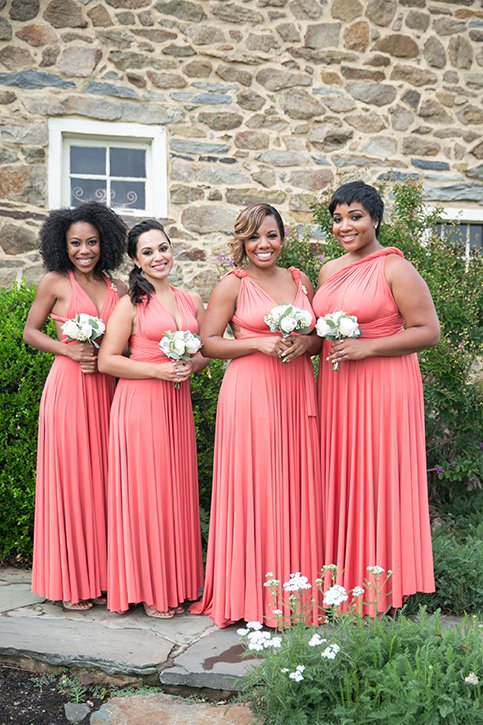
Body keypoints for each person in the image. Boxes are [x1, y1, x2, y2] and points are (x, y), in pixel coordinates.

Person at [190, 203, 324, 628]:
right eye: (253, 237)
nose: (263, 244)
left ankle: (296, 595)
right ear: (242, 242)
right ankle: (249, 595)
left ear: (282, 239)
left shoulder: (300, 280)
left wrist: (305, 344)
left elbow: (319, 338)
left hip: (296, 389)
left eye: (271, 235)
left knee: (296, 483)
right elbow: (209, 343)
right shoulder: (233, 283)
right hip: (250, 393)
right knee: (257, 484)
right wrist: (256, 343)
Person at [313, 181, 440, 616]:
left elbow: (428, 331)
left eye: (355, 216)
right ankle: (340, 582)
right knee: (342, 474)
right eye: (337, 219)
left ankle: (381, 588)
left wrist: (367, 347)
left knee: (377, 475)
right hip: (337, 387)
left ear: (376, 219)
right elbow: (320, 332)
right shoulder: (328, 271)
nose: (345, 226)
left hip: (384, 386)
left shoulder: (395, 268)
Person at [98, 220, 207, 618]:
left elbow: (205, 352)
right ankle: (149, 589)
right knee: (147, 495)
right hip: (140, 405)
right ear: (136, 260)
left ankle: (177, 584)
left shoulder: (191, 299)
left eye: (163, 248)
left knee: (175, 493)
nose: (159, 257)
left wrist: (189, 366)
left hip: (176, 404)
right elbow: (108, 360)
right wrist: (158, 370)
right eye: (148, 252)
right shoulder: (130, 304)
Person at [23, 202, 127, 611]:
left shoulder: (118, 288)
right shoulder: (55, 282)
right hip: (68, 390)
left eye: (92, 242)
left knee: (104, 483)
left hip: (107, 392)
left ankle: (101, 577)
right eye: (75, 243)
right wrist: (67, 350)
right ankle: (70, 583)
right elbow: (31, 332)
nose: (85, 250)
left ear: (106, 243)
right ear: (62, 246)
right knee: (72, 482)